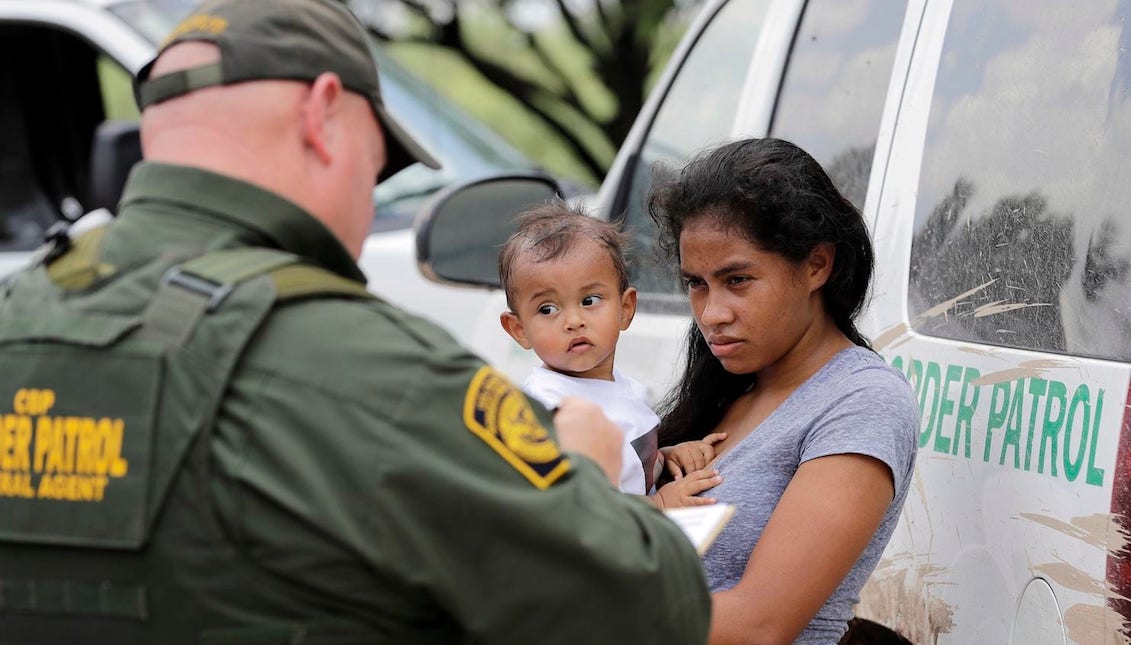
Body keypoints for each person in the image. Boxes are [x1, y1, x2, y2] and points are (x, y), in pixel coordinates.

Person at [0, 1, 711, 643]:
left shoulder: (16, 318)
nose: (368, 210)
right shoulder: (370, 367)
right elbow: (649, 607)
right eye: (377, 168)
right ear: (322, 113)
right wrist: (586, 473)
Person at [647, 137, 919, 645]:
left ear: (817, 265)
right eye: (697, 284)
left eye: (738, 280)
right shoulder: (724, 390)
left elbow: (761, 624)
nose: (711, 313)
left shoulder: (861, 401)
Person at [497, 203, 725, 508]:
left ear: (625, 309)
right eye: (547, 309)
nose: (573, 321)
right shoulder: (550, 409)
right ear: (519, 329)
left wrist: (666, 457)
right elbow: (581, 508)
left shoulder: (623, 388)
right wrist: (659, 504)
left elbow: (626, 466)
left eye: (589, 300)